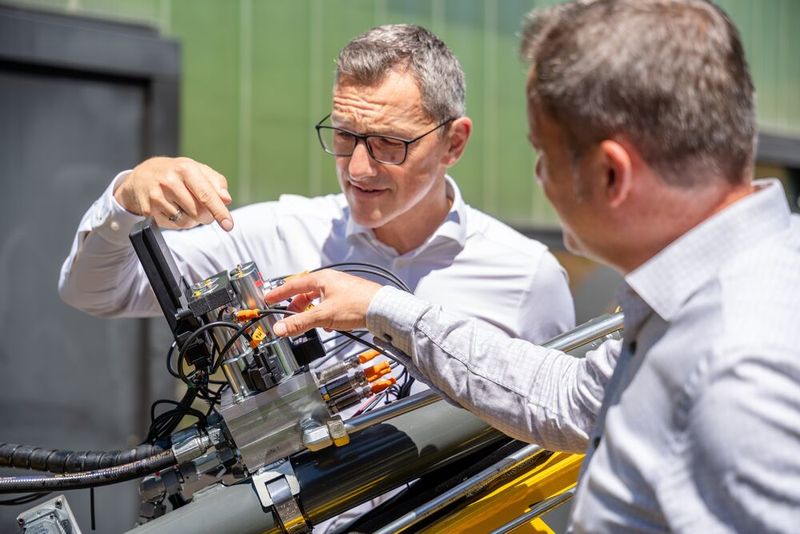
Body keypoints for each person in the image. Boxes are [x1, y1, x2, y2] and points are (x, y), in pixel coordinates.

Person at [265, 1, 800, 531]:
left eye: (542, 153)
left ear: (611, 174)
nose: (539, 176)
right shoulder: (730, 290)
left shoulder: (739, 370)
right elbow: (566, 395)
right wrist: (383, 307)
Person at [58, 24, 574, 531]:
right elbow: (95, 290)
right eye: (345, 136)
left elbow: (548, 437)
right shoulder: (277, 233)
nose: (359, 169)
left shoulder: (527, 278)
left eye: (390, 143)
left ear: (453, 143)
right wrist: (124, 200)